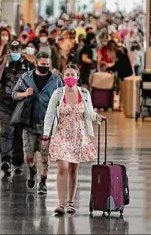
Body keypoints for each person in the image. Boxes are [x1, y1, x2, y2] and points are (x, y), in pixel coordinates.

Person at [42, 64, 105, 214]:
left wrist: (98, 117)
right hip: (61, 135)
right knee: (62, 168)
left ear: (77, 77)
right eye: (67, 75)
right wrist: (46, 134)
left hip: (78, 136)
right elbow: (49, 115)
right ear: (63, 78)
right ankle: (61, 204)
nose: (70, 77)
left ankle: (70, 202)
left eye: (73, 74)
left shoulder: (84, 93)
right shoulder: (58, 94)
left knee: (73, 170)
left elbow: (89, 113)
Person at [12, 51, 62, 194]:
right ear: (36, 63)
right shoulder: (26, 78)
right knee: (28, 156)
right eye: (42, 64)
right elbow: (14, 94)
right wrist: (24, 94)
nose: (45, 67)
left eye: (48, 64)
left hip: (47, 126)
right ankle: (32, 169)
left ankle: (43, 182)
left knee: (45, 157)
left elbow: (62, 98)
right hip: (29, 124)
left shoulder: (56, 79)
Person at [0, 40, 34, 174]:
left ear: (21, 51)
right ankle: (6, 160)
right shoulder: (3, 63)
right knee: (6, 131)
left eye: (17, 50)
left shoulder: (27, 65)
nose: (14, 53)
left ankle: (17, 161)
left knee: (19, 133)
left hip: (21, 104)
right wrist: (2, 64)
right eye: (12, 50)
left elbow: (33, 80)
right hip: (5, 104)